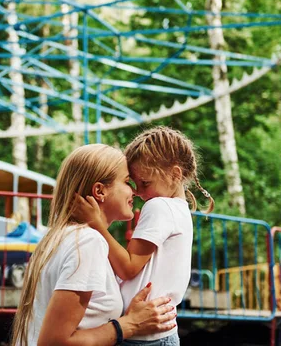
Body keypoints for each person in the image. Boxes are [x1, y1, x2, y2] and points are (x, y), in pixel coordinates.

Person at [10, 144, 177, 346]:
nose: (134, 190)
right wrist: (130, 324)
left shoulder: (56, 238)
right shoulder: (88, 242)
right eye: (126, 182)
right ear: (99, 191)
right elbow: (54, 342)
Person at [76, 126, 215, 346]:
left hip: (143, 337)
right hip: (159, 334)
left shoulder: (159, 206)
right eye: (134, 184)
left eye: (145, 183)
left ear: (175, 175)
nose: (139, 192)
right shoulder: (180, 210)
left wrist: (96, 225)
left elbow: (129, 267)